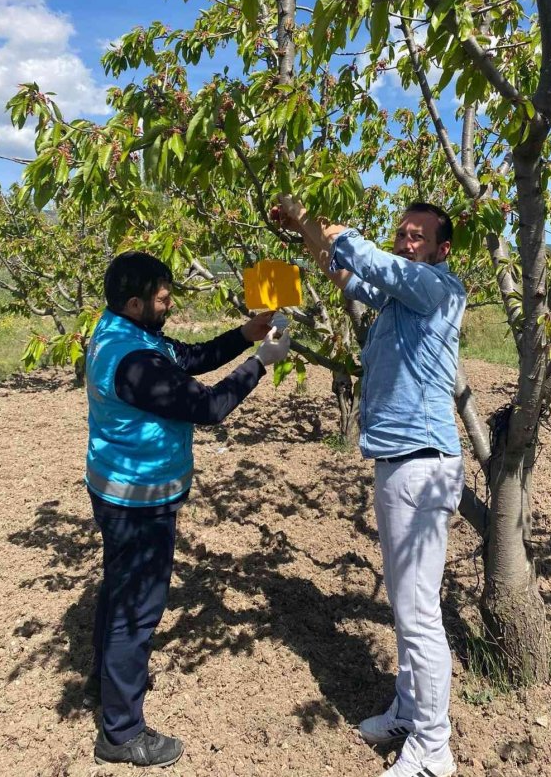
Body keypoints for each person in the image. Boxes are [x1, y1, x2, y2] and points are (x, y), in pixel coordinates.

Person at [274, 197, 466, 777]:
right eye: (402, 233)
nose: (407, 241)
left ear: (440, 248)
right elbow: (346, 272)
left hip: (420, 464)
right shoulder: (400, 300)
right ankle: (410, 711)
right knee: (408, 607)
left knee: (418, 614)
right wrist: (305, 234)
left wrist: (307, 211)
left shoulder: (435, 286)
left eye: (417, 235)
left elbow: (366, 257)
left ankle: (433, 749)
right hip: (398, 463)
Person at [83, 251, 290, 767]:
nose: (169, 299)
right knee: (137, 612)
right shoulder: (132, 361)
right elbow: (208, 407)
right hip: (138, 502)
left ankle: (107, 679)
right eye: (160, 295)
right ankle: (121, 733)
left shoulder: (129, 333)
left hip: (122, 491)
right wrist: (261, 363)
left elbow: (189, 358)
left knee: (118, 594)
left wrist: (246, 333)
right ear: (135, 303)